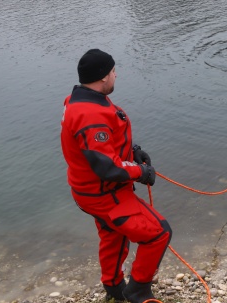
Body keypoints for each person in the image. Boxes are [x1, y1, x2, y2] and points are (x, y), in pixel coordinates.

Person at [60, 49, 171, 303]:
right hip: (104, 194)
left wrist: (133, 151)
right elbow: (107, 168)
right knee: (158, 233)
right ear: (102, 78)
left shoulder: (78, 100)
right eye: (112, 71)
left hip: (85, 191)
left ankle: (113, 286)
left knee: (113, 233)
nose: (115, 75)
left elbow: (97, 146)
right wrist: (140, 172)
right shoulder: (90, 115)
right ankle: (138, 290)